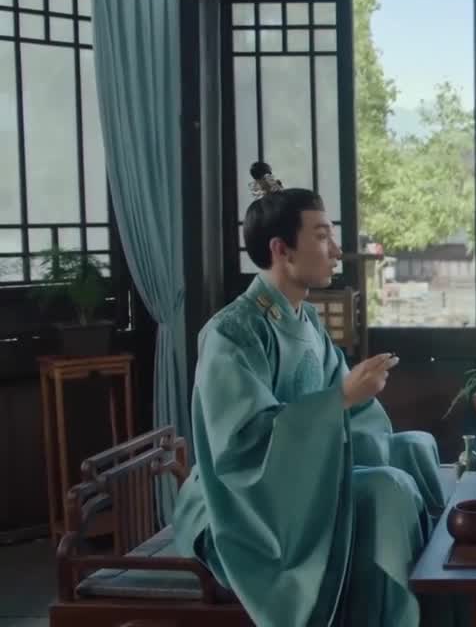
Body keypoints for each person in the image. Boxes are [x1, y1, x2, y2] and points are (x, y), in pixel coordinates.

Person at [172, 177, 460, 627]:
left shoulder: (305, 320)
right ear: (281, 250)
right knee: (387, 489)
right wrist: (341, 397)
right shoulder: (232, 332)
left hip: (303, 482)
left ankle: (439, 604)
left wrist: (351, 397)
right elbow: (244, 444)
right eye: (322, 236)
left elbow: (354, 418)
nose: (337, 250)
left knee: (415, 447)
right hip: (243, 504)